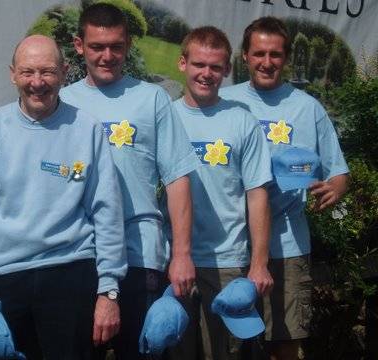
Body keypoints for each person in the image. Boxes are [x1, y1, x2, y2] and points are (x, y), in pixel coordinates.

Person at [0, 34, 127, 360]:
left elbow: (107, 212)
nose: (37, 83)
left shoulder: (86, 129)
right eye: (28, 72)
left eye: (46, 72)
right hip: (4, 278)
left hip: (71, 274)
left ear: (64, 72)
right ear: (12, 74)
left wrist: (109, 292)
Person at [60, 3, 200, 359]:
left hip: (140, 254)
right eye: (97, 47)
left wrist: (181, 254)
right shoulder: (63, 102)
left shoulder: (151, 98)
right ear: (79, 46)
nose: (107, 56)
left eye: (116, 47)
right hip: (78, 253)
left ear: (128, 45)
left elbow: (178, 179)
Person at [220, 17, 349, 360]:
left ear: (286, 58)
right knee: (230, 345)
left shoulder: (308, 108)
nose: (266, 62)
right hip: (231, 243)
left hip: (288, 246)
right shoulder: (224, 101)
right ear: (244, 56)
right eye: (258, 53)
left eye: (275, 54)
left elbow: (339, 172)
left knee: (285, 343)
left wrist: (335, 189)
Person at [165, 26, 273, 360]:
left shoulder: (242, 121)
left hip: (228, 262)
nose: (206, 74)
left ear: (227, 70)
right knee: (176, 352)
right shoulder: (165, 117)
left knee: (223, 353)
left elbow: (257, 195)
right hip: (173, 262)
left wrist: (259, 264)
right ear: (183, 63)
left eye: (215, 67)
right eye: (199, 64)